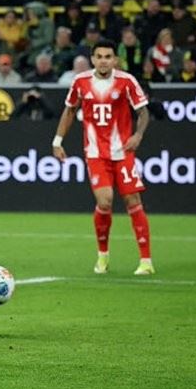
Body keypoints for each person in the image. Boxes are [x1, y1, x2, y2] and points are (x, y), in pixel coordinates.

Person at [53, 39, 154, 276]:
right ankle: (103, 255)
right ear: (92, 59)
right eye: (99, 56)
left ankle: (146, 261)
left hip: (123, 152)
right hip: (96, 154)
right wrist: (57, 141)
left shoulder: (127, 81)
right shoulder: (80, 82)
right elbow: (70, 110)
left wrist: (138, 135)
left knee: (132, 200)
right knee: (105, 201)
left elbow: (143, 112)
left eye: (108, 57)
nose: (103, 61)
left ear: (115, 60)